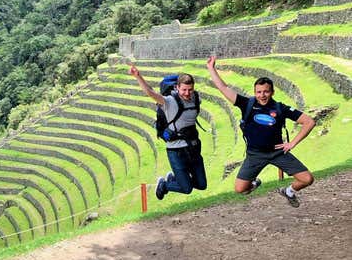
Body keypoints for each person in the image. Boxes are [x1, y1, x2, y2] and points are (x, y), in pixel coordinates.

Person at [206, 55, 315, 207]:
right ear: (254, 92)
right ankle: (255, 182)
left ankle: (289, 191)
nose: (262, 95)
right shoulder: (247, 104)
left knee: (307, 179)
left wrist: (292, 143)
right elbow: (223, 88)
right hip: (255, 154)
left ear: (272, 92)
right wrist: (211, 68)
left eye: (266, 92)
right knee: (240, 189)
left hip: (278, 152)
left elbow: (309, 122)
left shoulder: (280, 108)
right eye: (259, 92)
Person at [129, 64, 207, 200]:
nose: (187, 93)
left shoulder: (195, 99)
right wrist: (138, 76)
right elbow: (150, 93)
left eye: (190, 90)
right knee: (186, 189)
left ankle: (174, 178)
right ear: (177, 88)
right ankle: (164, 185)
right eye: (184, 90)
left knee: (201, 185)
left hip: (193, 148)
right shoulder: (169, 102)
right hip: (176, 151)